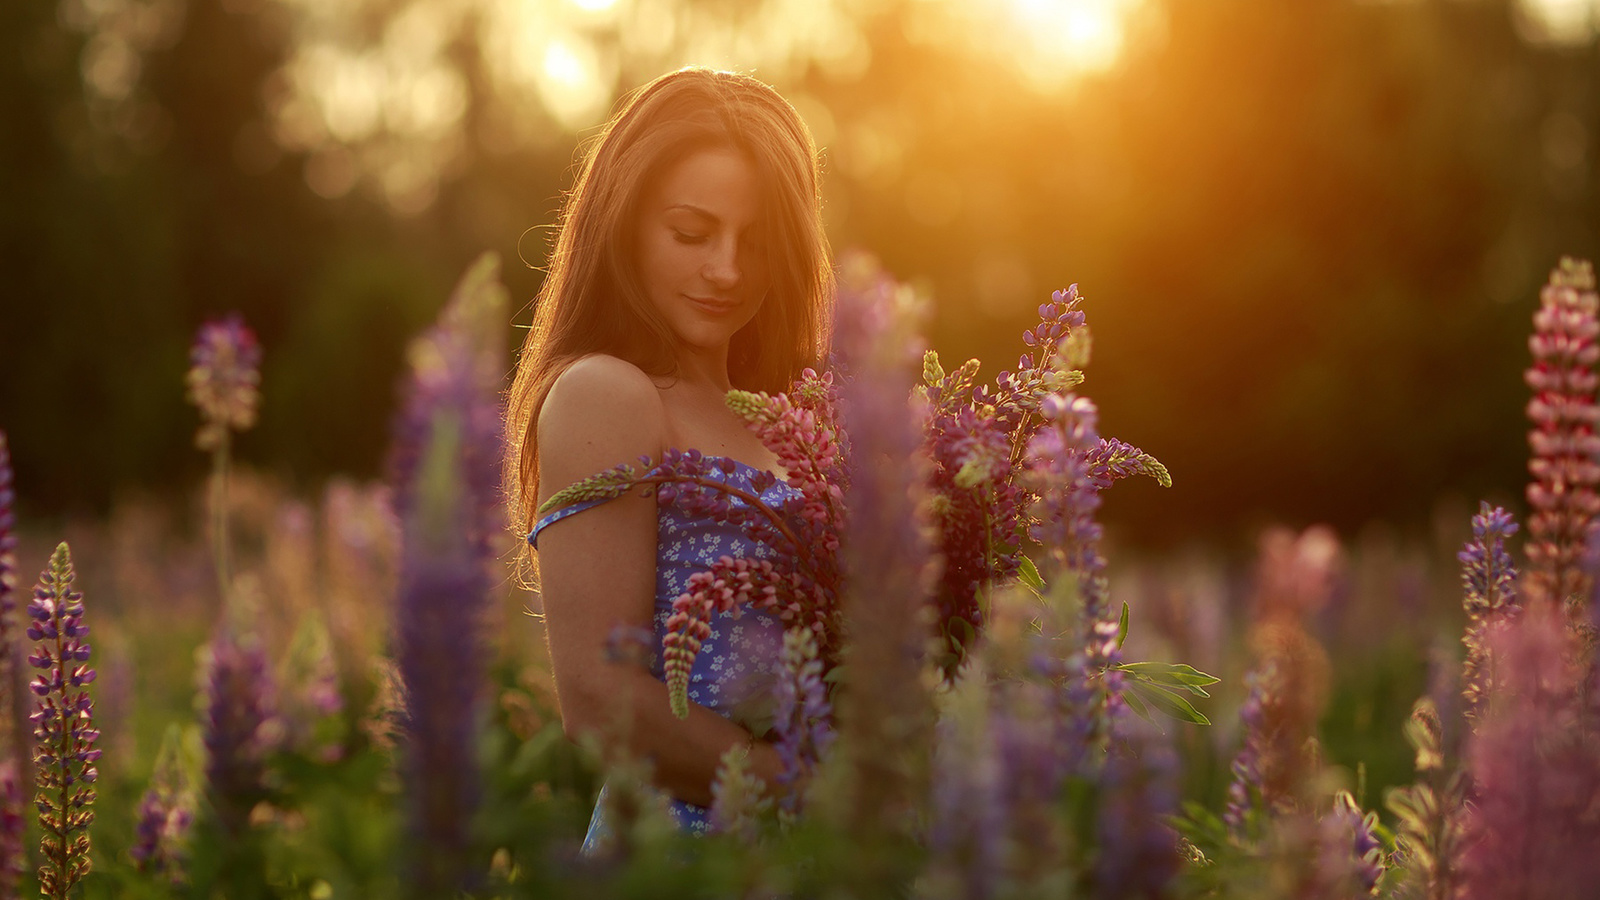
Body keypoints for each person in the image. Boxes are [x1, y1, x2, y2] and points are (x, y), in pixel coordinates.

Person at [502, 68, 833, 849]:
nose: (727, 269)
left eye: (757, 243)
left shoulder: (797, 418)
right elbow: (598, 702)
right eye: (692, 233)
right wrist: (816, 797)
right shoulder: (607, 395)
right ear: (624, 225)